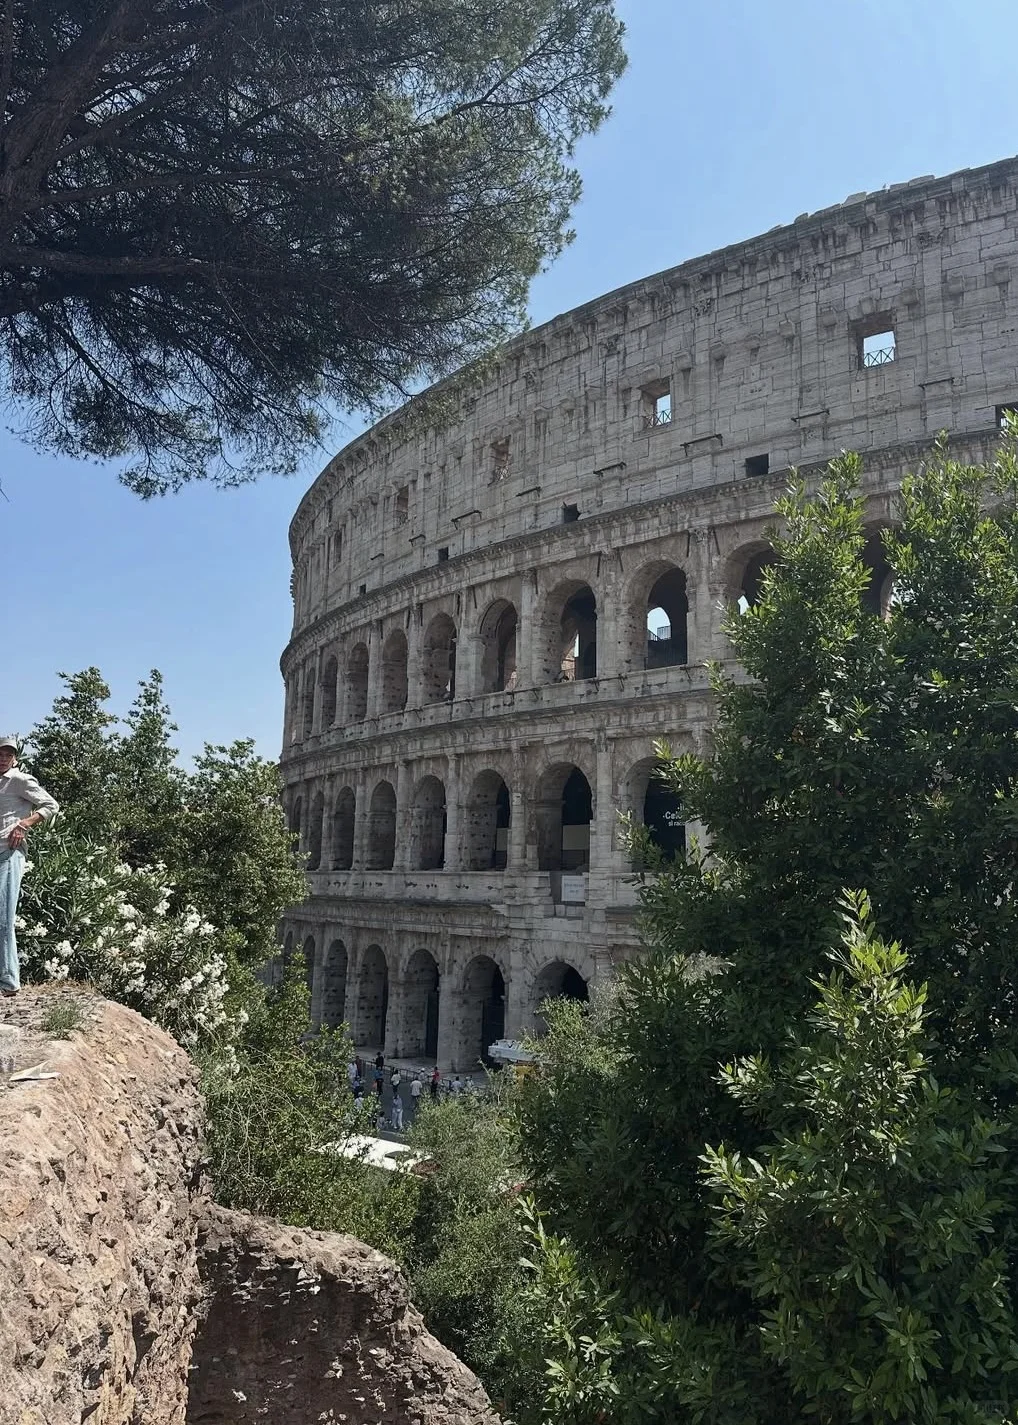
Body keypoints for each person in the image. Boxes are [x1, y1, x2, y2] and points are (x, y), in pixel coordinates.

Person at [0, 739, 58, 998]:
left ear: (14, 758)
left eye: (8, 754)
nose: (3, 758)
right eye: (0, 754)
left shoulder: (20, 780)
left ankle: (9, 981)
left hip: (9, 852)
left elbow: (51, 805)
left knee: (3, 917)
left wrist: (24, 824)